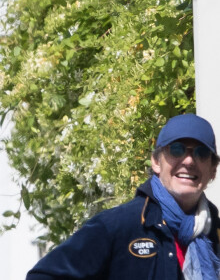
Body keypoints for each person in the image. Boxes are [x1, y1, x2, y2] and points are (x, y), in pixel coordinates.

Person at [26, 114, 220, 280]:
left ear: (213, 170)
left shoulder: (215, 234)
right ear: (156, 162)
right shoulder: (118, 226)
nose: (188, 160)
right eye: (177, 149)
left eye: (201, 153)